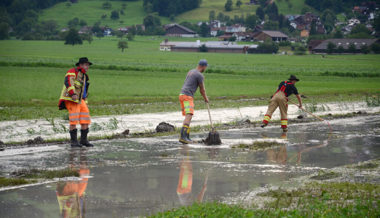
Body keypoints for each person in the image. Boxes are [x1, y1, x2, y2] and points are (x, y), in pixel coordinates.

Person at [58, 57, 93, 147]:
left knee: (85, 119)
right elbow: (68, 82)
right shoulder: (72, 71)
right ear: (80, 65)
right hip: (71, 99)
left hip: (80, 100)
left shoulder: (84, 75)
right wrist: (73, 94)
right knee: (74, 120)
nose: (87, 67)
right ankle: (74, 142)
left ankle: (83, 141)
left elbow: (83, 89)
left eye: (88, 65)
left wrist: (84, 99)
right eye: (86, 65)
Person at [179, 60, 209, 144]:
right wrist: (206, 99)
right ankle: (183, 137)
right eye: (206, 67)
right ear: (203, 66)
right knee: (189, 115)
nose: (205, 69)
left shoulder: (191, 71)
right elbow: (202, 90)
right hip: (187, 96)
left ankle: (186, 137)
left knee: (188, 115)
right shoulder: (199, 75)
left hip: (182, 95)